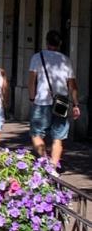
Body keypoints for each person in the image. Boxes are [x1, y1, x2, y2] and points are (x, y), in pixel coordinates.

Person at [28, 30, 80, 170]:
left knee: (36, 133)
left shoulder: (37, 58)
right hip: (61, 102)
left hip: (41, 101)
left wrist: (32, 98)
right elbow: (72, 85)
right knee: (58, 138)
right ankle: (53, 167)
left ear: (46, 42)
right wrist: (75, 104)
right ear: (60, 43)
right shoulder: (66, 60)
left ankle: (44, 161)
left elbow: (32, 81)